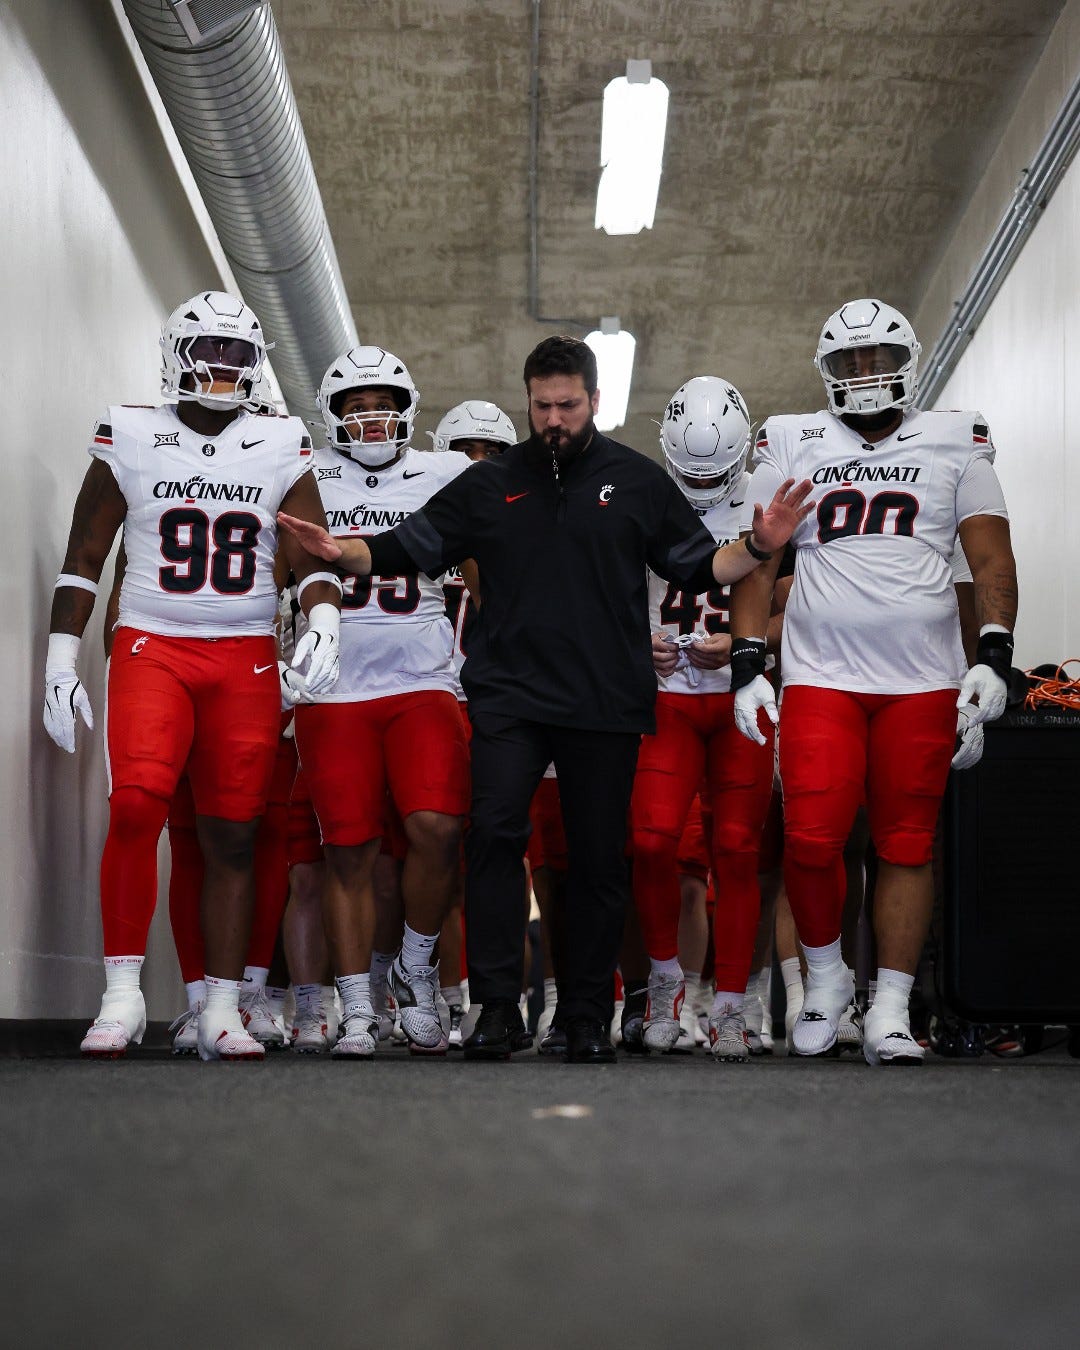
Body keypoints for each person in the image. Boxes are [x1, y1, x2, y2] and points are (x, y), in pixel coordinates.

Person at [279, 334, 812, 1063]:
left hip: (604, 704)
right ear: (527, 403)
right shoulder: (490, 482)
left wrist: (757, 547)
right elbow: (409, 546)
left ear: (593, 401)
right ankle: (497, 1009)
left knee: (597, 860)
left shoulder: (636, 480)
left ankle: (589, 1014)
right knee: (495, 842)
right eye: (541, 406)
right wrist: (345, 553)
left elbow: (696, 565)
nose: (554, 418)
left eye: (567, 404)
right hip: (510, 701)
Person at [43, 290, 342, 1060]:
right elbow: (85, 557)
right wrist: (58, 658)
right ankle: (121, 996)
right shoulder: (132, 430)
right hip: (154, 643)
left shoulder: (280, 442)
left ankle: (219, 1007)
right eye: (209, 350)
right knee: (137, 806)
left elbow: (311, 555)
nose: (222, 366)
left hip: (243, 651)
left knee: (232, 836)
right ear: (177, 353)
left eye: (239, 354)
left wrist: (323, 620)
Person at [729, 297, 1017, 1065]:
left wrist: (992, 654)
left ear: (906, 362)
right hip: (823, 676)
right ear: (826, 371)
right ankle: (826, 984)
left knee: (906, 844)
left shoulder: (956, 438)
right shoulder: (792, 440)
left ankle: (889, 1006)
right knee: (813, 840)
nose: (864, 374)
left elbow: (989, 558)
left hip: (922, 680)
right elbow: (760, 554)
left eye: (878, 359)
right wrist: (748, 662)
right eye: (849, 362)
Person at [290, 345, 473, 1057]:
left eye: (383, 403)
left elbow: (486, 573)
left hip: (421, 676)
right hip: (334, 686)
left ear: (408, 410)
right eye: (356, 405)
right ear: (333, 415)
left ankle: (416, 966)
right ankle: (358, 1004)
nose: (372, 417)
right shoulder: (307, 474)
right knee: (349, 851)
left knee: (437, 829)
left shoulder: (445, 472)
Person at [631, 377, 778, 1062]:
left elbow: (803, 598)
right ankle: (664, 985)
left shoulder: (766, 495)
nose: (700, 483)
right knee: (654, 842)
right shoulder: (639, 494)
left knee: (739, 851)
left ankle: (730, 1002)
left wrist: (755, 643)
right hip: (669, 699)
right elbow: (606, 594)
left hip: (740, 696)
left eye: (712, 472)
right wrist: (638, 644)